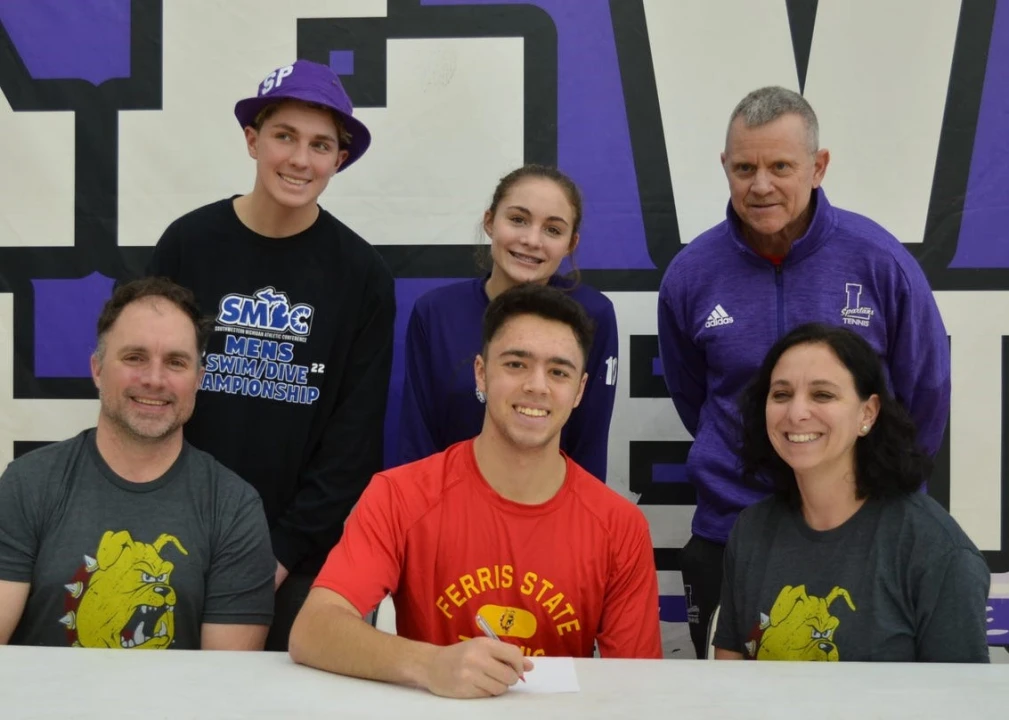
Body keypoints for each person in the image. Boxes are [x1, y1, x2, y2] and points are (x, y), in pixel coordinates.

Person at [656, 86, 950, 658]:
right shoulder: (691, 275)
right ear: (725, 166)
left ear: (818, 167)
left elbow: (925, 396)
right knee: (727, 697)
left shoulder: (880, 261)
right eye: (745, 168)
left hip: (861, 535)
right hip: (731, 532)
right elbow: (695, 396)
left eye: (781, 167)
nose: (760, 185)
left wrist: (873, 494)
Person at [289, 284, 661, 698]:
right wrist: (429, 664)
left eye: (559, 372)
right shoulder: (399, 496)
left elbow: (639, 686)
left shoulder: (620, 527)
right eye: (516, 364)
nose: (537, 386)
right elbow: (313, 629)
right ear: (481, 373)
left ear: (579, 391)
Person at [147, 59, 395, 650]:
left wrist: (281, 552)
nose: (300, 159)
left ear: (339, 159)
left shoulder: (362, 274)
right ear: (252, 140)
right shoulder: (188, 243)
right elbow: (146, 390)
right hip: (176, 536)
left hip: (300, 554)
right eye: (285, 136)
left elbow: (353, 439)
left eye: (320, 145)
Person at [0, 278, 275, 649]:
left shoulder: (234, 507)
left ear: (198, 380)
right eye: (134, 358)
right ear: (97, 369)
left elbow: (227, 678)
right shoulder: (27, 483)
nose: (154, 379)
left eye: (175, 362)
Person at [713, 323, 988, 662]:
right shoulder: (751, 530)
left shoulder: (935, 550)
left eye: (822, 395)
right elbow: (729, 680)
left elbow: (960, 694)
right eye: (781, 395)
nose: (796, 413)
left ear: (867, 413)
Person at [397, 165, 618, 482]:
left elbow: (589, 444)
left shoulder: (594, 314)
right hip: (445, 506)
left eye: (552, 230)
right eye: (518, 220)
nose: (531, 240)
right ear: (490, 222)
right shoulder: (436, 312)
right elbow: (416, 439)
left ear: (571, 243)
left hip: (551, 506)